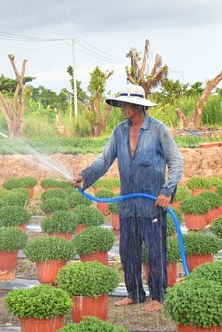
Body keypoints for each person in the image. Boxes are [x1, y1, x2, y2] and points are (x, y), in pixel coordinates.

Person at [72, 84, 183, 312]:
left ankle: (158, 297)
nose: (122, 107)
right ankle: (134, 293)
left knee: (155, 252)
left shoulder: (158, 130)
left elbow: (176, 162)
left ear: (139, 106)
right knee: (128, 251)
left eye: (126, 104)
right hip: (128, 205)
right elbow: (104, 160)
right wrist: (84, 176)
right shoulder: (119, 131)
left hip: (152, 205)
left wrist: (167, 190)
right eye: (121, 103)